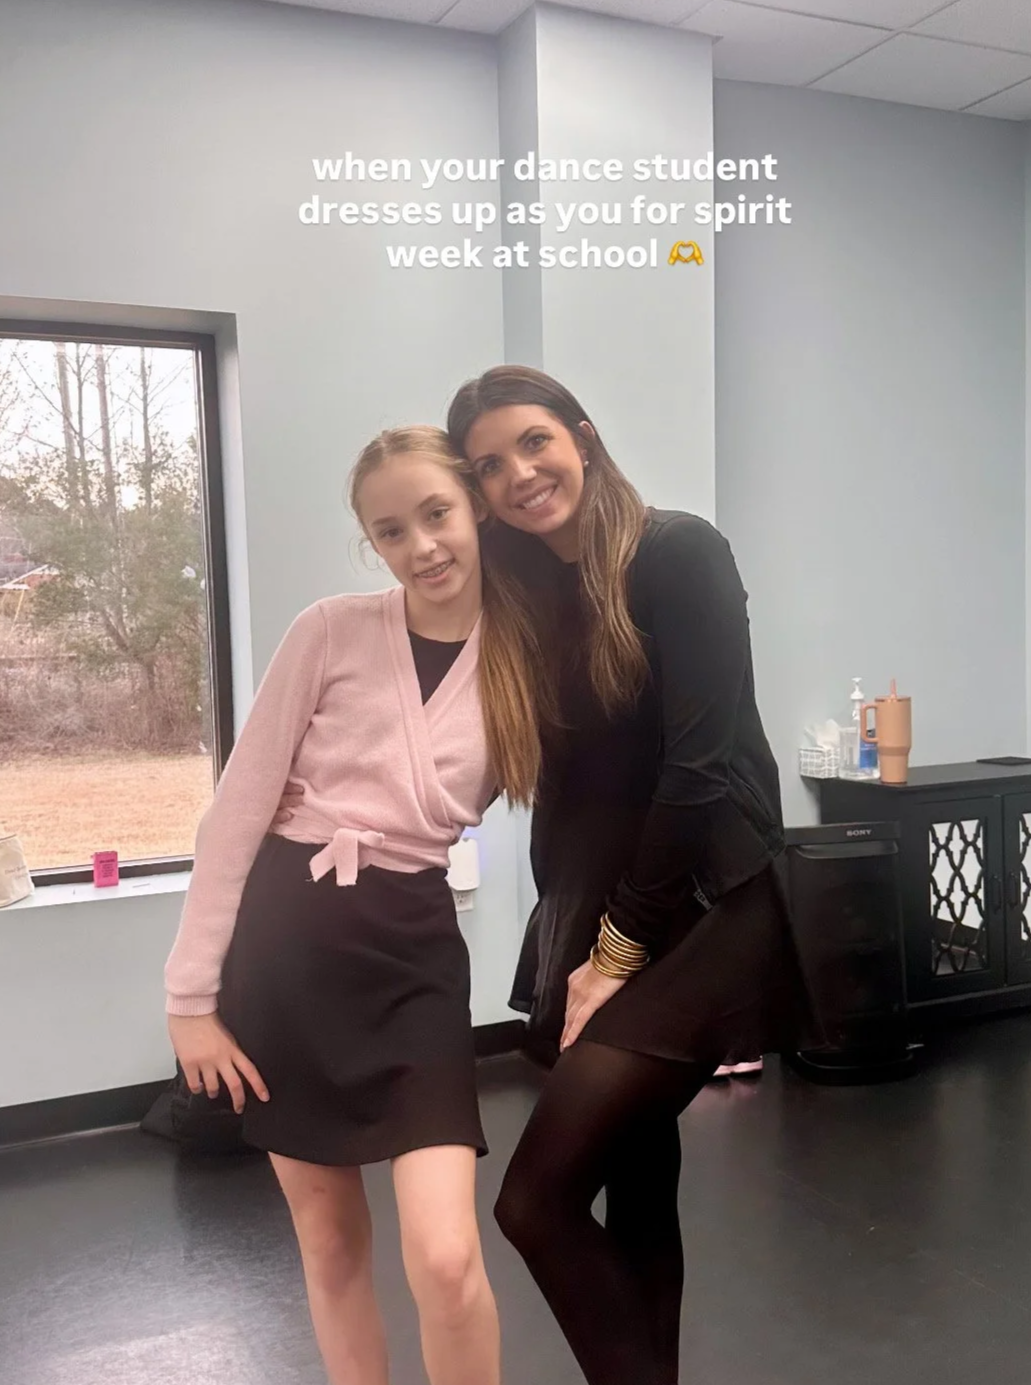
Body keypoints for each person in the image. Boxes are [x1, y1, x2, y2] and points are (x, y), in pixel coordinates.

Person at [444, 366, 821, 1385]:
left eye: (532, 443)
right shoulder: (526, 597)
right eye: (489, 465)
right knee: (637, 1177)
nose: (518, 474)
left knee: (535, 1199)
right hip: (598, 899)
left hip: (710, 905)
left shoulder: (677, 551)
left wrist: (613, 953)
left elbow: (699, 771)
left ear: (581, 434)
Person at [163, 425, 545, 1385]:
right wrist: (189, 1002)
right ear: (371, 545)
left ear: (475, 509)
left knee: (446, 1256)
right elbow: (236, 815)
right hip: (285, 955)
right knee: (330, 1245)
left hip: (412, 957)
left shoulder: (528, 658)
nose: (421, 546)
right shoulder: (329, 630)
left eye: (435, 514)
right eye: (390, 531)